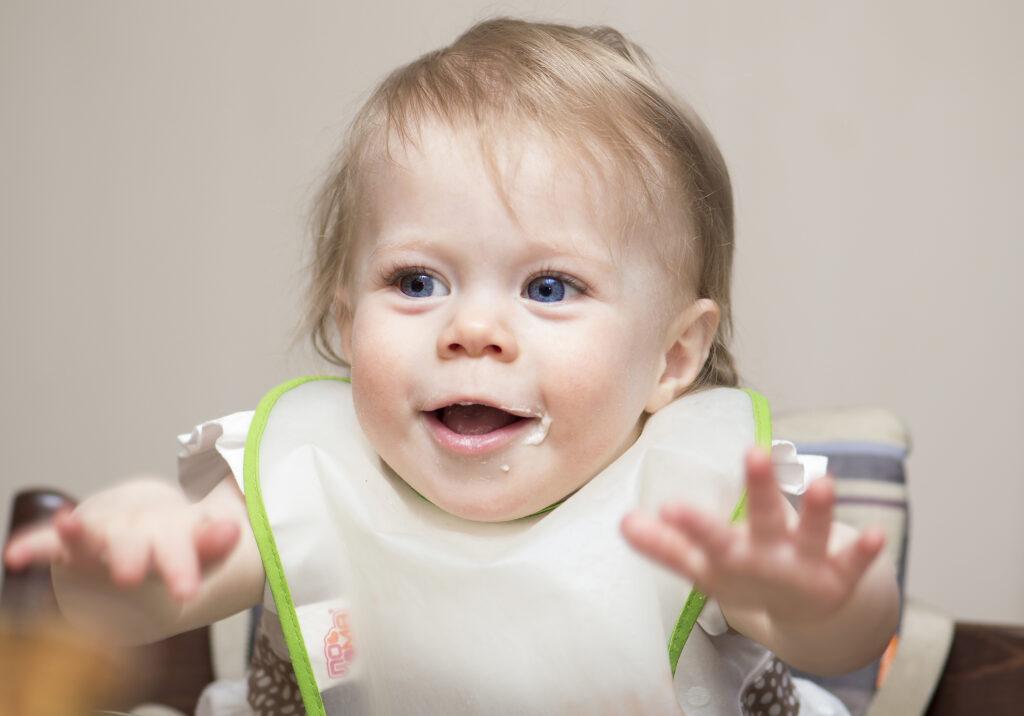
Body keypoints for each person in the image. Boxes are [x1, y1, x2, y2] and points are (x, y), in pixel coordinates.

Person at [4, 16, 899, 715]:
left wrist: (818, 604)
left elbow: (844, 639)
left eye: (549, 287)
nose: (472, 328)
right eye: (417, 280)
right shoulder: (309, 470)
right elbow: (134, 609)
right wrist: (124, 560)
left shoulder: (707, 499)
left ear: (671, 359)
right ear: (347, 319)